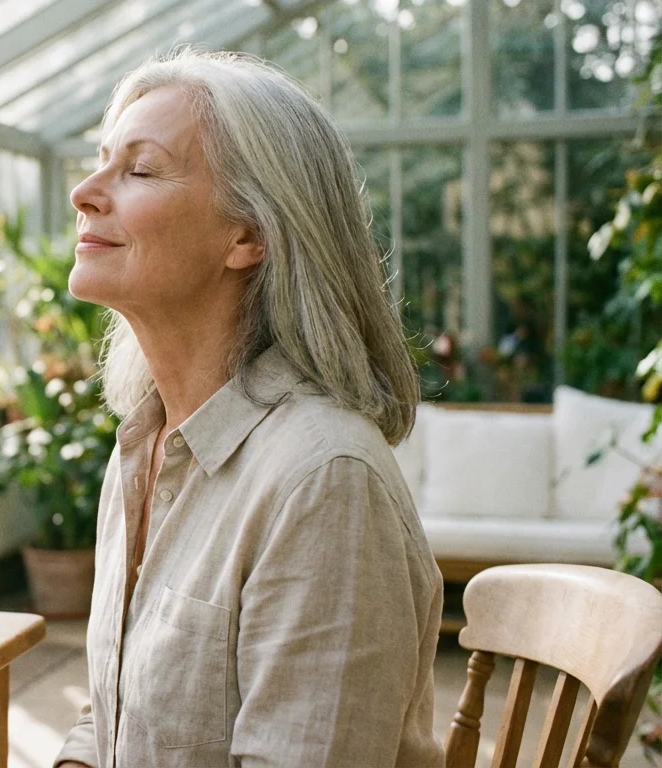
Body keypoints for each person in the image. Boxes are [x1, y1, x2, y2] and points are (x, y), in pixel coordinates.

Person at [53, 49, 443, 767]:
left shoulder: (323, 481)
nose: (85, 191)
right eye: (101, 161)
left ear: (249, 235)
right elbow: (113, 715)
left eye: (138, 170)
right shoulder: (142, 445)